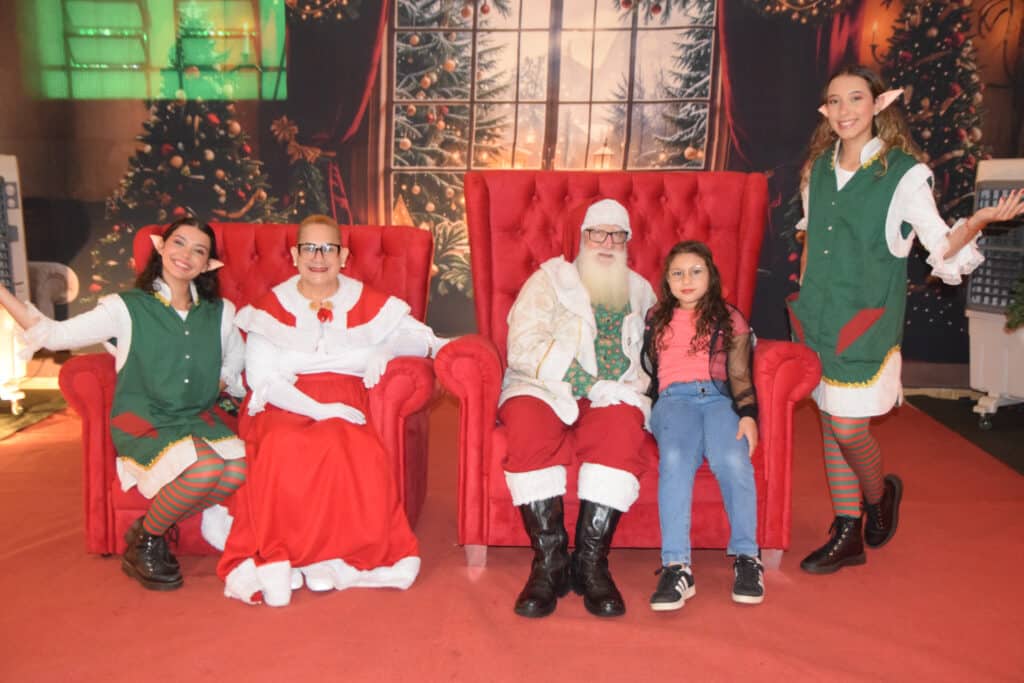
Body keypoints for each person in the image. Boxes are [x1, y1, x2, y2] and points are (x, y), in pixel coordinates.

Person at [789, 64, 1024, 574]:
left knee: (848, 427)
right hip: (817, 319)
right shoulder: (817, 169)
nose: (845, 110)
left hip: (865, 323)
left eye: (856, 98)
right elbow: (810, 239)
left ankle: (878, 497)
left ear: (878, 104)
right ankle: (847, 530)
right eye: (835, 101)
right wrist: (803, 297)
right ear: (825, 111)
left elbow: (942, 245)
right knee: (830, 420)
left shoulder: (904, 175)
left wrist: (980, 220)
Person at [0, 217, 247, 591]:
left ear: (208, 264)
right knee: (206, 468)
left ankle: (149, 526)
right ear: (161, 247)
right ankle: (147, 542)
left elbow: (236, 356)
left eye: (199, 250)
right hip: (141, 418)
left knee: (237, 470)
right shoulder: (125, 308)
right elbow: (53, 334)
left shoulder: (220, 312)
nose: (186, 255)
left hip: (195, 417)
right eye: (178, 243)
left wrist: (222, 380)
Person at [217, 214, 444, 607]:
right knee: (282, 447)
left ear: (344, 256)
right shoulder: (271, 306)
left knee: (347, 447)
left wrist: (386, 349)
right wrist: (320, 410)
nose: (318, 257)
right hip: (282, 400)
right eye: (309, 248)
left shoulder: (367, 300)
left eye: (328, 248)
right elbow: (262, 379)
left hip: (348, 397)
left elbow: (425, 341)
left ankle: (330, 558)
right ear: (294, 255)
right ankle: (288, 556)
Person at [499, 198, 656, 618]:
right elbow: (523, 345)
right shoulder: (549, 280)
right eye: (597, 233)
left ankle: (590, 565)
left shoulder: (641, 290)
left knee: (622, 430)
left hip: (614, 391)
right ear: (582, 238)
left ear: (627, 241)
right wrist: (587, 383)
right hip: (544, 384)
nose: (606, 242)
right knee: (528, 428)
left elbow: (655, 353)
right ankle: (549, 564)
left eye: (617, 235)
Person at [640, 241, 762, 610]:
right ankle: (677, 567)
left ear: (711, 276)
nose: (687, 280)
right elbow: (647, 370)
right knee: (676, 459)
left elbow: (739, 372)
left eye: (696, 271)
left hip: (719, 399)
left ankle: (747, 557)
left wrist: (748, 415)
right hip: (674, 400)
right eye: (677, 273)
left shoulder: (729, 317)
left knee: (733, 458)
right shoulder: (655, 317)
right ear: (667, 280)